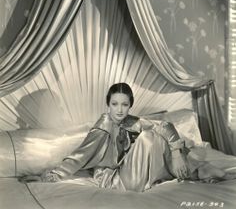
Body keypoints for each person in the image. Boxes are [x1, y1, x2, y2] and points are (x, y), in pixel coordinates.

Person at [20, 82, 235, 192]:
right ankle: (194, 171)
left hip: (136, 173)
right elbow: (78, 157)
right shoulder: (103, 126)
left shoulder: (132, 120)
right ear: (108, 104)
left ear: (130, 105)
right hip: (116, 181)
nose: (120, 110)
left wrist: (178, 152)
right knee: (149, 137)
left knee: (157, 136)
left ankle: (190, 168)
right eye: (115, 104)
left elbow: (166, 125)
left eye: (124, 104)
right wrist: (46, 177)